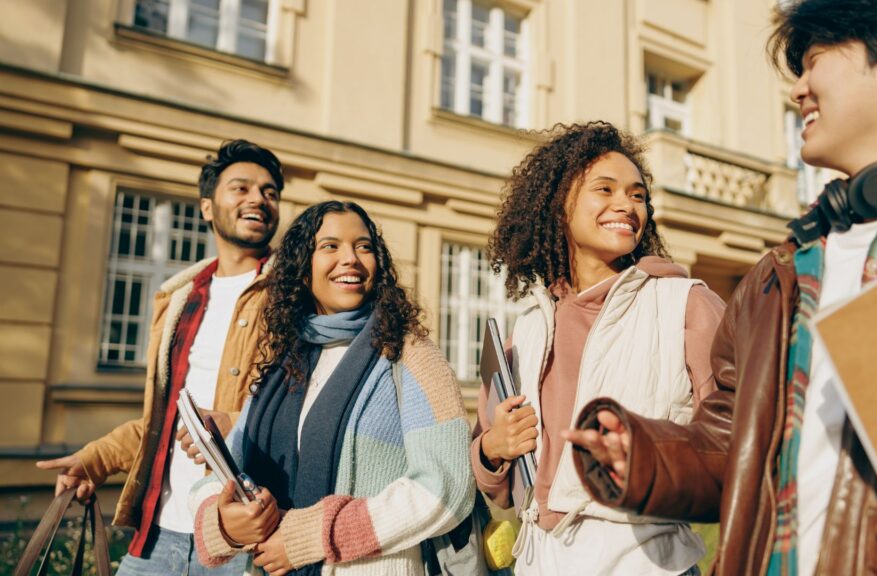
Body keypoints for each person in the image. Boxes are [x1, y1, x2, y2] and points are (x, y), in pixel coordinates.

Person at [565, 1, 877, 575]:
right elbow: (735, 444)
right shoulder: (778, 273)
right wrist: (647, 456)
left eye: (814, 62)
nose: (797, 90)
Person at [474, 121, 725, 575]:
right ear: (558, 207)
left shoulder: (686, 304)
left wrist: (647, 460)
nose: (625, 205)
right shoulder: (528, 329)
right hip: (538, 561)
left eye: (637, 195)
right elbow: (496, 480)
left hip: (644, 559)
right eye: (604, 189)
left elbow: (737, 443)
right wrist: (494, 447)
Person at [35, 139, 284, 574]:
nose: (258, 200)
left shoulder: (291, 298)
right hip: (156, 536)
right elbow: (165, 420)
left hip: (241, 541)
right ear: (207, 207)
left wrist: (236, 424)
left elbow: (306, 413)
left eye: (269, 192)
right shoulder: (178, 300)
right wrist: (96, 460)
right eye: (241, 188)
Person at [191, 200, 475, 576]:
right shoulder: (284, 365)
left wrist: (310, 536)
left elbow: (447, 485)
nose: (351, 259)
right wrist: (225, 523)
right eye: (330, 246)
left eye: (364, 246)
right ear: (302, 268)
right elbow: (221, 475)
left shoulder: (411, 355)